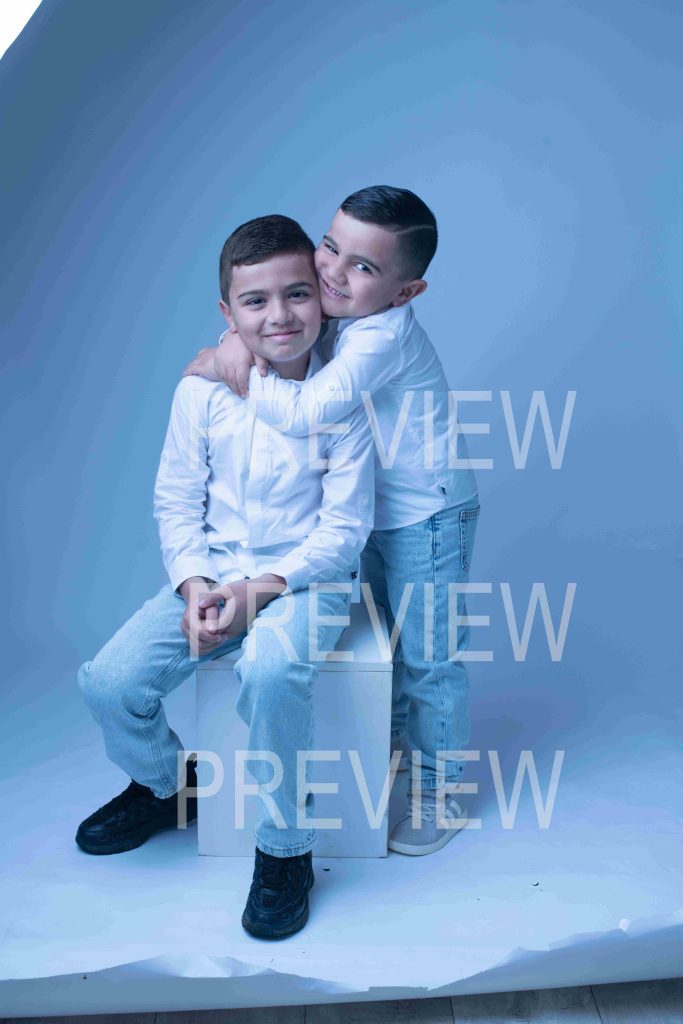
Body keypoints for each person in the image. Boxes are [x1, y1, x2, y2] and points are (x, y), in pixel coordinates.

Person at [76, 214, 375, 940]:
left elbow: (343, 531)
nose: (279, 316)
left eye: (297, 294)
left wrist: (259, 593)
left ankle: (285, 849)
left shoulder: (344, 394)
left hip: (308, 581)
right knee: (109, 682)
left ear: (321, 296)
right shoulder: (201, 392)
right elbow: (177, 501)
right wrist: (193, 587)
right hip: (214, 573)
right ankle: (166, 788)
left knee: (270, 672)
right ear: (227, 312)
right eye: (255, 301)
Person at [184, 186, 481, 857]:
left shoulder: (382, 334)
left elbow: (304, 411)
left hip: (427, 516)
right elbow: (274, 320)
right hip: (373, 511)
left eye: (363, 266)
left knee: (428, 656)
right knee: (384, 640)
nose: (334, 273)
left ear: (406, 293)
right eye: (329, 247)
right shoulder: (347, 309)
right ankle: (392, 745)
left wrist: (231, 370)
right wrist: (235, 339)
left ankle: (440, 791)